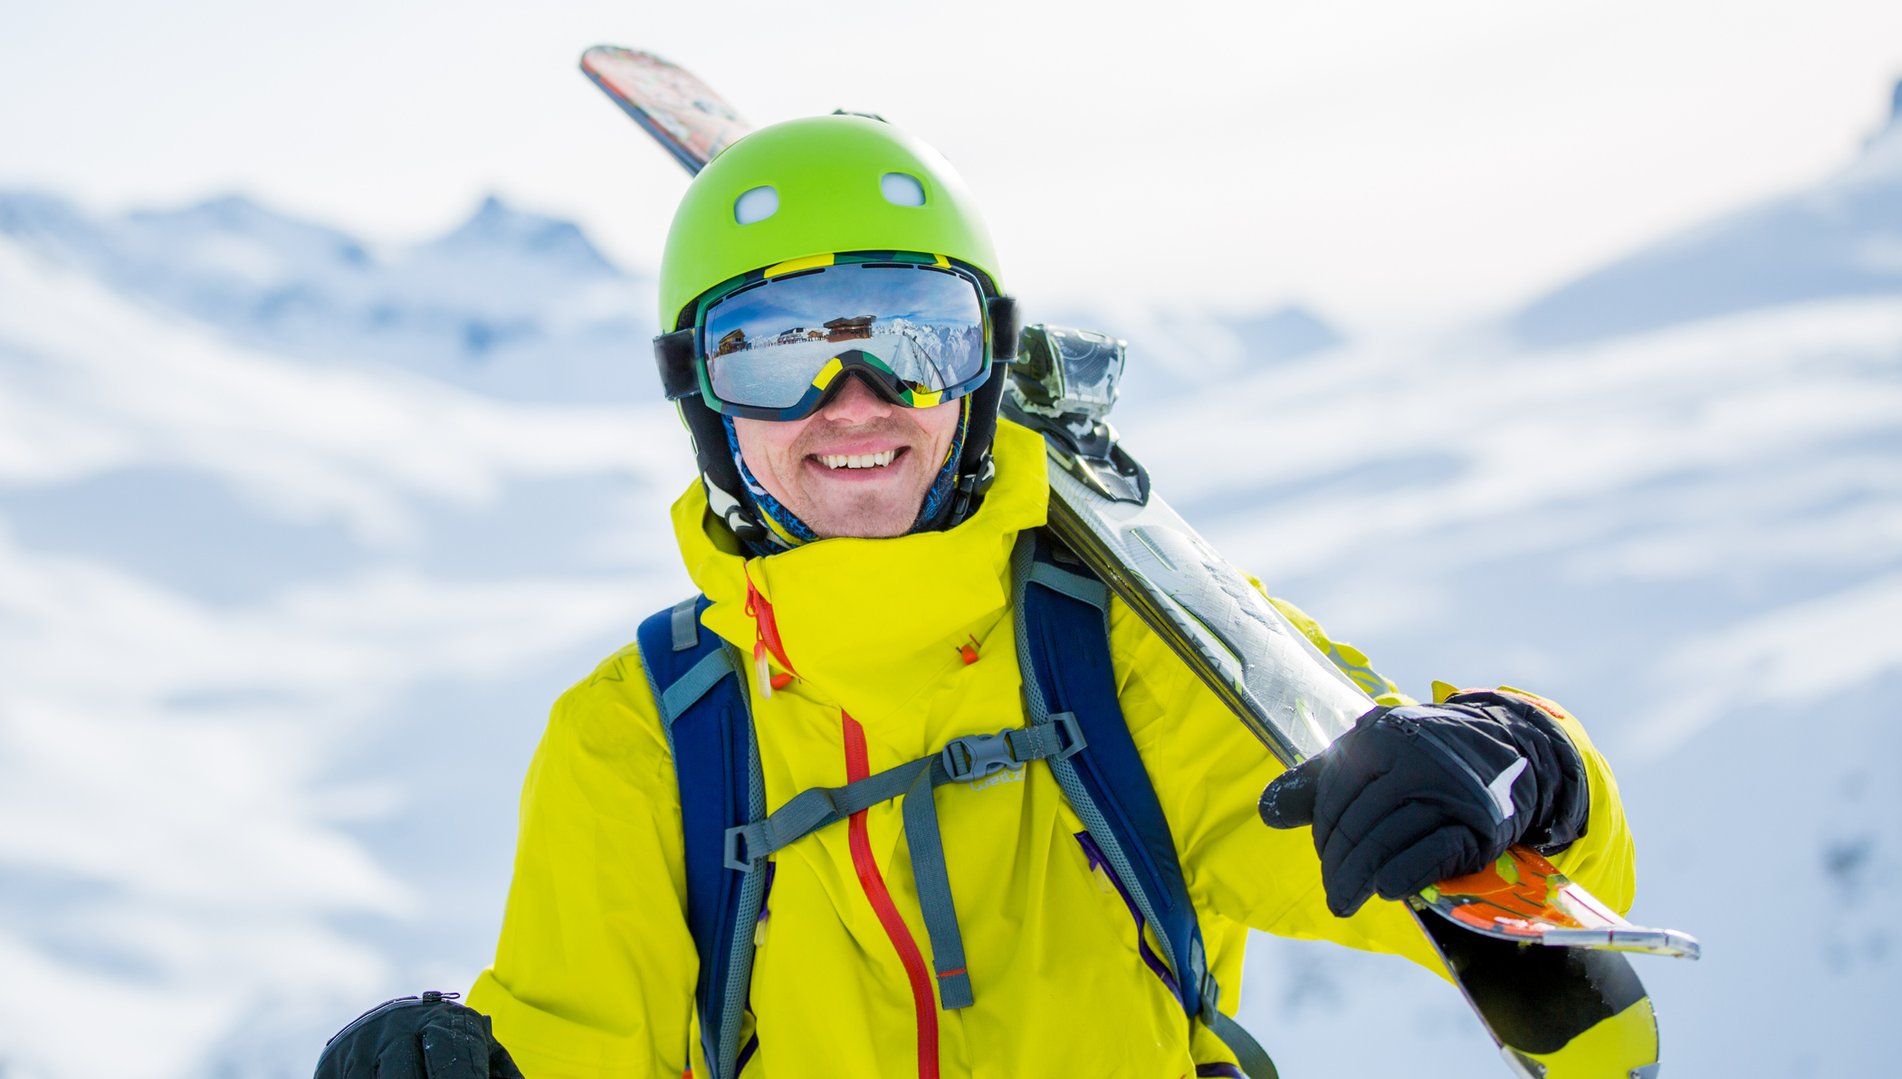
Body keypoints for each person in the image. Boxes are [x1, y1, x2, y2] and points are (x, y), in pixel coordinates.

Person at [315, 114, 1633, 1079]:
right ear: (701, 400)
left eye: (910, 337)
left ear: (985, 365)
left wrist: (1526, 764)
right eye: (777, 354)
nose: (853, 405)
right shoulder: (638, 743)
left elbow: (1449, 855)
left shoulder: (1126, 656)